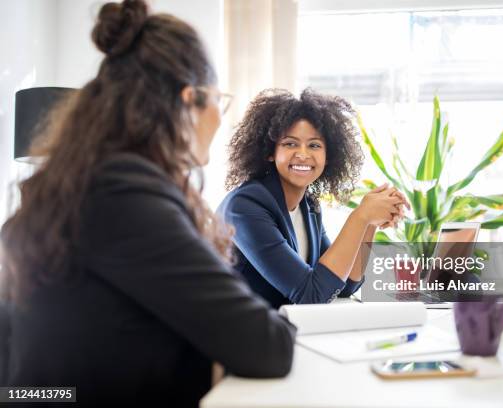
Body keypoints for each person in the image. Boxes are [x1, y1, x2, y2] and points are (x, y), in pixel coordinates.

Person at [0, 1, 295, 406]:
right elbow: (268, 345)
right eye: (217, 101)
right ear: (189, 100)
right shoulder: (123, 195)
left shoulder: (88, 181)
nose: (219, 117)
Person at [219, 89, 409, 309]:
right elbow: (311, 295)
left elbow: (344, 284)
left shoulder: (308, 205)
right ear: (270, 152)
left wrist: (369, 223)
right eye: (290, 143)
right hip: (234, 336)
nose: (303, 154)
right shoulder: (244, 207)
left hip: (278, 329)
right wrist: (360, 215)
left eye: (314, 145)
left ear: (328, 157)